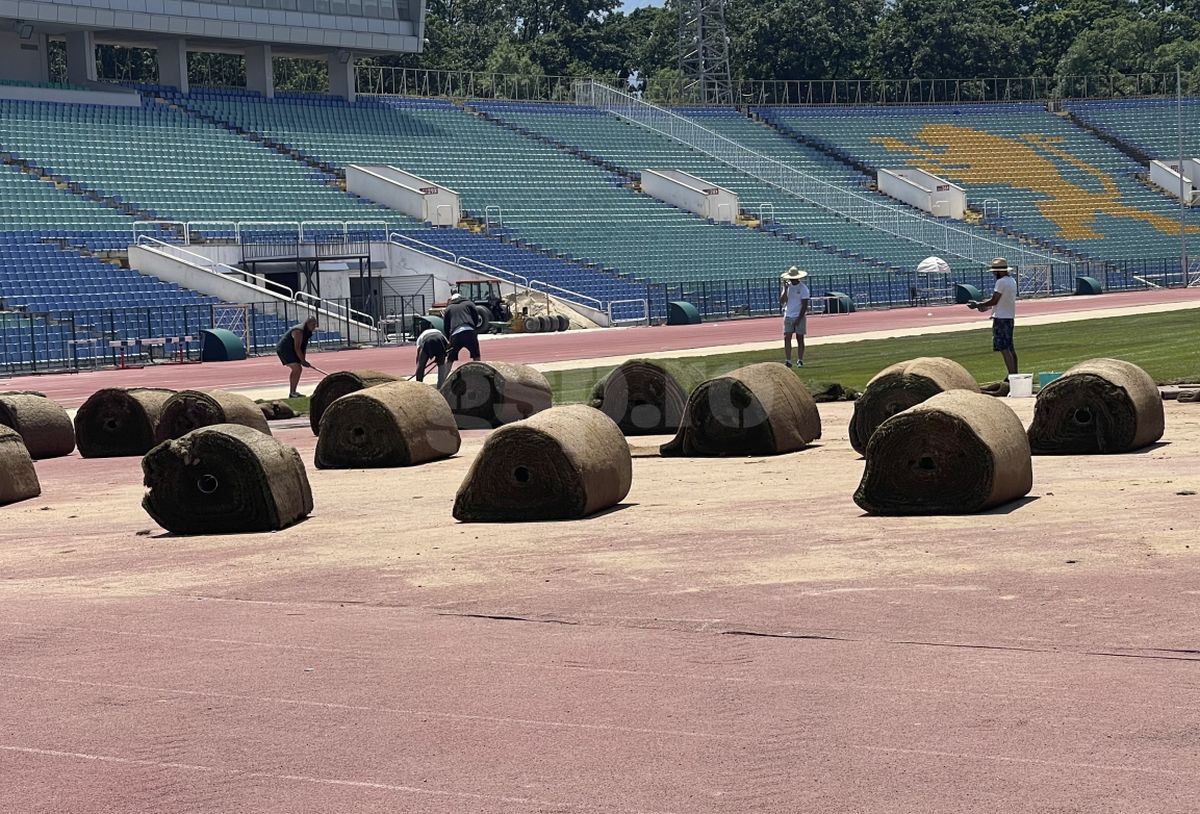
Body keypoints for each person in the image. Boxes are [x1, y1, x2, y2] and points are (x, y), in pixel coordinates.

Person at [969, 257, 1019, 376]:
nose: (993, 274)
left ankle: (1012, 376)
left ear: (999, 271)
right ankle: (1014, 374)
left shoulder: (1000, 282)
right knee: (1010, 347)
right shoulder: (1012, 280)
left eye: (995, 271)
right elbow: (1002, 302)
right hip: (1009, 317)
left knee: (1004, 348)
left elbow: (995, 300)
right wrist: (985, 307)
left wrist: (979, 304)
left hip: (1001, 319)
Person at [276, 316, 317, 398]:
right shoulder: (299, 331)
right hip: (285, 349)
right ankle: (292, 392)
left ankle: (293, 391)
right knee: (297, 368)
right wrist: (302, 361)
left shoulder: (307, 332)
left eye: (315, 325)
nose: (314, 327)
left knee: (298, 368)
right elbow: (297, 348)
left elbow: (303, 347)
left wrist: (303, 360)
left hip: (292, 350)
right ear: (307, 323)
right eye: (313, 324)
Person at [778, 266, 810, 368]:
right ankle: (788, 360)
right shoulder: (787, 287)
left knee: (800, 338)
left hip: (798, 315)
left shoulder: (803, 288)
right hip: (788, 315)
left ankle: (800, 359)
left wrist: (799, 318)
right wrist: (785, 288)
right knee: (787, 337)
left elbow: (804, 305)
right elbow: (782, 301)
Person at [442, 291, 484, 367]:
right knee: (476, 356)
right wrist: (474, 329)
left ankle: (444, 378)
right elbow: (476, 318)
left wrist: (448, 341)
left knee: (450, 360)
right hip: (469, 332)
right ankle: (480, 374)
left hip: (455, 334)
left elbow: (446, 326)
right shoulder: (469, 303)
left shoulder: (449, 308)